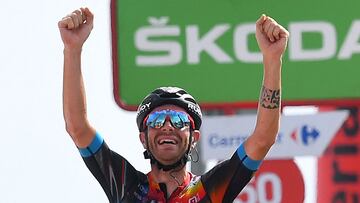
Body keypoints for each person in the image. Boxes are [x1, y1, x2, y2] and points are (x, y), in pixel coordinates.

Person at [59, 7, 289, 203]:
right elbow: (77, 127)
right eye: (157, 120)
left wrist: (272, 60)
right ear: (143, 137)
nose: (167, 126)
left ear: (194, 137)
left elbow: (263, 138)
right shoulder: (126, 185)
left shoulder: (208, 190)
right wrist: (72, 49)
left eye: (178, 120)